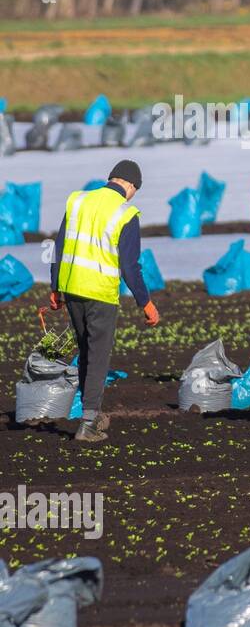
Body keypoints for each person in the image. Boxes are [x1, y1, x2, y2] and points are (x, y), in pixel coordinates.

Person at [49, 159, 160, 443]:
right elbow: (130, 267)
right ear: (131, 186)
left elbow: (58, 247)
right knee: (98, 357)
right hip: (100, 294)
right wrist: (145, 303)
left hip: (72, 289)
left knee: (87, 352)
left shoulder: (78, 201)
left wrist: (55, 287)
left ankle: (92, 415)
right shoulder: (126, 213)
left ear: (111, 178)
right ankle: (87, 424)